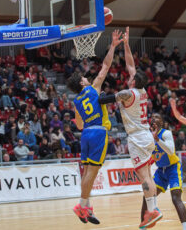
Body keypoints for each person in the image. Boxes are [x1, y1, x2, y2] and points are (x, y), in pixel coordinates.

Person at [99, 27, 162, 229]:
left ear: (134, 81)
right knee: (148, 175)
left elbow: (107, 99)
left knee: (144, 177)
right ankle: (152, 209)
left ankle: (153, 210)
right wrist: (126, 43)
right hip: (145, 135)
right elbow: (130, 64)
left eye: (132, 76)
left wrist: (93, 98)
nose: (130, 75)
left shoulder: (128, 93)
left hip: (137, 137)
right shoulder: (141, 90)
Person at [67, 29, 123, 225]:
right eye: (84, 78)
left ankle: (87, 207)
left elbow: (79, 124)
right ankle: (81, 205)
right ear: (82, 82)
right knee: (93, 172)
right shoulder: (93, 89)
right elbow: (106, 66)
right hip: (99, 132)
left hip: (86, 134)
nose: (86, 78)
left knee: (87, 171)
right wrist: (113, 46)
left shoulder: (76, 102)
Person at [141, 113, 186, 230]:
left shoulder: (166, 133)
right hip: (160, 171)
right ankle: (143, 225)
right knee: (147, 197)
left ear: (161, 122)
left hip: (173, 168)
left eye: (157, 117)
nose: (154, 119)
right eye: (152, 117)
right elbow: (152, 155)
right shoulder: (147, 137)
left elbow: (171, 151)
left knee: (175, 198)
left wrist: (157, 139)